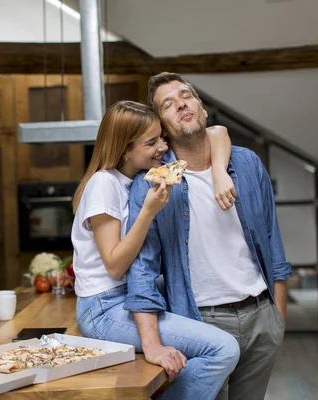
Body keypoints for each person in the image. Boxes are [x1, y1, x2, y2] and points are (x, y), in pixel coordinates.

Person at [124, 72, 292, 400]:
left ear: (201, 109)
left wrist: (278, 319)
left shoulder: (246, 164)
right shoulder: (153, 183)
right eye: (168, 105)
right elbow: (140, 269)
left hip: (262, 317)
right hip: (200, 323)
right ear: (162, 126)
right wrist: (152, 343)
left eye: (186, 96)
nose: (181, 104)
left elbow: (273, 242)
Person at [72, 100, 240, 400]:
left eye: (162, 137)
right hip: (103, 308)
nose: (163, 146)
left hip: (122, 299)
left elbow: (217, 132)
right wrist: (149, 211)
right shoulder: (103, 185)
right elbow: (114, 265)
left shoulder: (134, 181)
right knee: (223, 349)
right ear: (125, 149)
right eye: (151, 142)